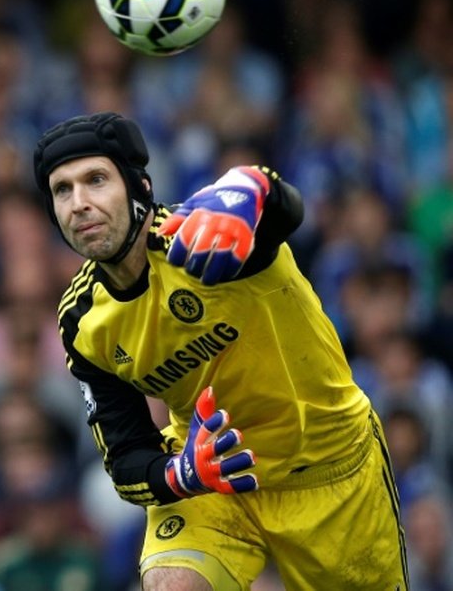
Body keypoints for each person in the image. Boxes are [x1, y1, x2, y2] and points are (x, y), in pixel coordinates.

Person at [31, 112, 408, 590]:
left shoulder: (207, 234)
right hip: (214, 472)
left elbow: (284, 212)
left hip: (328, 467)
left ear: (140, 188)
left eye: (96, 180)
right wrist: (181, 475)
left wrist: (251, 187)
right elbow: (126, 457)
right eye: (62, 190)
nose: (79, 203)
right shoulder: (82, 319)